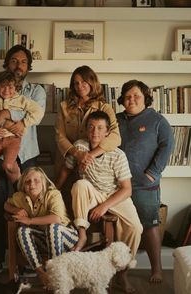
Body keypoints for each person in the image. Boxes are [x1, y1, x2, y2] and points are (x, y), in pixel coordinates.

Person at [57, 111, 143, 293]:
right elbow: (66, 169)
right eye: (91, 127)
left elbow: (126, 188)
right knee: (79, 184)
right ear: (86, 130)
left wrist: (105, 206)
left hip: (114, 194)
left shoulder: (117, 154)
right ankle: (82, 234)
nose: (95, 131)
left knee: (136, 228)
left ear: (107, 133)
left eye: (100, 128)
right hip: (91, 192)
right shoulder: (80, 146)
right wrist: (55, 189)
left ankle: (122, 274)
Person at [0, 45, 46, 278]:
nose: (19, 65)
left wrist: (6, 114)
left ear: (29, 67)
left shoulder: (36, 91)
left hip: (26, 158)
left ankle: (28, 262)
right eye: (14, 61)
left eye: (23, 62)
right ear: (7, 64)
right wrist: (13, 120)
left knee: (27, 209)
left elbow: (36, 116)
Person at [116, 80, 174, 283]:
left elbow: (167, 145)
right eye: (127, 96)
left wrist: (153, 172)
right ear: (122, 99)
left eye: (136, 96)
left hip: (145, 185)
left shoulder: (157, 120)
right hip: (118, 186)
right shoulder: (116, 120)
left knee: (149, 226)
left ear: (145, 98)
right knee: (119, 227)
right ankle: (118, 273)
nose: (131, 99)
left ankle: (156, 269)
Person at [55, 65, 121, 216]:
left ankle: (86, 236)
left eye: (84, 82)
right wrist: (78, 154)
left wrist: (90, 155)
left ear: (93, 83)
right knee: (65, 207)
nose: (80, 86)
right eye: (76, 83)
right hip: (67, 163)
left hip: (93, 167)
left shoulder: (104, 107)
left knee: (88, 209)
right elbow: (60, 136)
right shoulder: (64, 107)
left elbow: (116, 137)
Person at [4, 167, 78, 289]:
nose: (32, 184)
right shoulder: (20, 197)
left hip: (67, 237)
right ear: (23, 184)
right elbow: (6, 204)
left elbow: (56, 219)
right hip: (45, 239)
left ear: (43, 183)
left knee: (53, 228)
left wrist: (30, 220)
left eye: (36, 180)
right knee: (22, 231)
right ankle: (42, 274)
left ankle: (56, 275)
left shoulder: (53, 194)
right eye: (28, 181)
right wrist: (16, 210)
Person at [0, 71, 44, 187]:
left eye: (10, 87)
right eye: (2, 87)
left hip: (13, 139)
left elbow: (38, 112)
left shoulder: (22, 100)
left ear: (16, 87)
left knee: (8, 165)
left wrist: (24, 122)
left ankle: (18, 182)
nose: (6, 91)